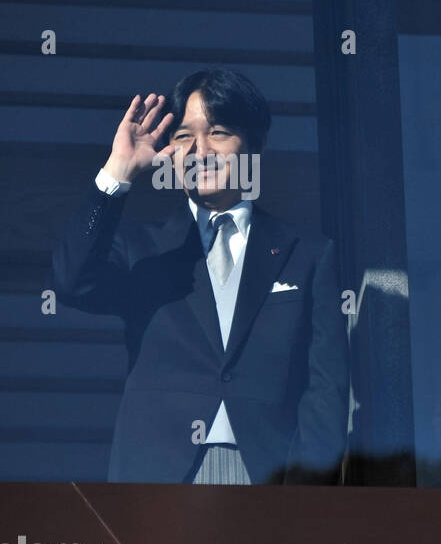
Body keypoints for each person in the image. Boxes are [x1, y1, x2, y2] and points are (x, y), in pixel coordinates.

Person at [49, 69, 348, 485]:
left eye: (219, 132)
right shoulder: (146, 250)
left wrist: (306, 490)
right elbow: (70, 280)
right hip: (158, 480)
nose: (200, 150)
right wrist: (116, 174)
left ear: (256, 144)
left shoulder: (309, 255)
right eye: (185, 136)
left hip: (270, 480)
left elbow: (325, 390)